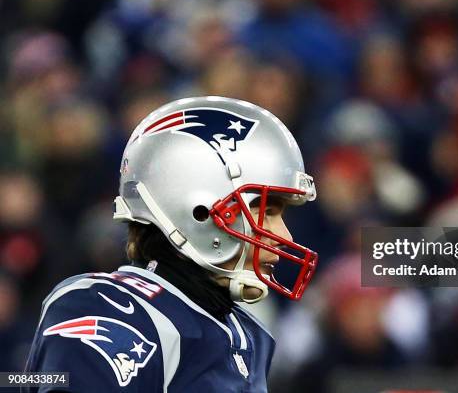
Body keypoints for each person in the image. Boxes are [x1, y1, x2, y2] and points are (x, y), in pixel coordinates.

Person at [24, 96, 318, 392]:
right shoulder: (111, 309)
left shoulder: (247, 334)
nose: (285, 236)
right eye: (266, 211)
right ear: (199, 210)